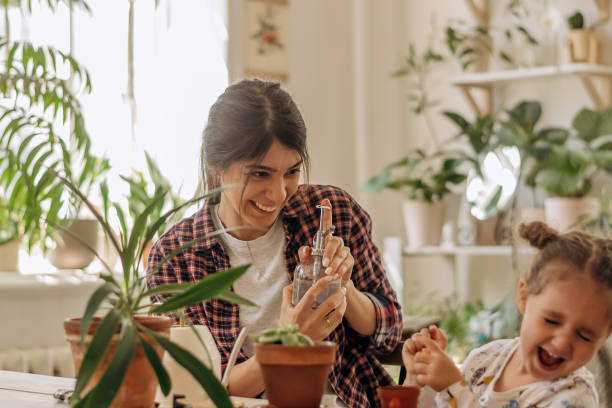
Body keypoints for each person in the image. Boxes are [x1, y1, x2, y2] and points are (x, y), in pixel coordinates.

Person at [147, 78, 402, 408]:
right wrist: (289, 342)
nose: (279, 193)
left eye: (292, 172)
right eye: (260, 174)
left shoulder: (332, 211)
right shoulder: (176, 257)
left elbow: (390, 330)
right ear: (216, 165)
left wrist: (345, 289)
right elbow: (200, 391)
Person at [401, 221, 612, 407]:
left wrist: (452, 389)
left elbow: (454, 396)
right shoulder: (485, 360)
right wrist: (420, 380)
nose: (562, 343)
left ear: (605, 335)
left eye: (584, 336)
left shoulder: (575, 398)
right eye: (551, 321)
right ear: (524, 297)